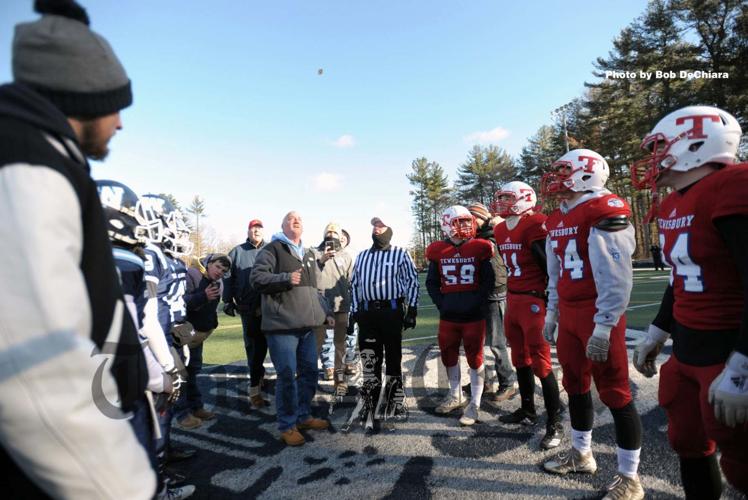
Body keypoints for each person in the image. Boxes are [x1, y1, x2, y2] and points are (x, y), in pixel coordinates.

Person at [0, 2, 156, 498]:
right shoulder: (27, 163)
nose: (120, 125)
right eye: (116, 106)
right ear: (83, 96)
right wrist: (125, 488)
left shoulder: (45, 155)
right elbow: (34, 367)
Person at [631, 105, 748, 499]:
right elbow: (680, 275)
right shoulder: (672, 204)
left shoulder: (732, 185)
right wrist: (658, 329)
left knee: (742, 460)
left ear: (696, 143)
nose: (654, 158)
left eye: (660, 147)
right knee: (688, 442)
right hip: (687, 350)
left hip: (729, 347)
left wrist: (743, 364)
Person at [540, 149, 644, 500]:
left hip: (598, 312)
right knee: (575, 384)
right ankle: (582, 454)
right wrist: (553, 312)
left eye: (563, 170)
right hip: (569, 312)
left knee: (615, 392)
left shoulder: (604, 207)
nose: (555, 177)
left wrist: (605, 324)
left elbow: (616, 276)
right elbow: (555, 273)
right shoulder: (557, 217)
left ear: (588, 173)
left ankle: (630, 477)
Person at [97, 180, 194, 500]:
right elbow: (144, 321)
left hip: (105, 358)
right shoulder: (137, 258)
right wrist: (165, 365)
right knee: (148, 421)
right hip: (136, 353)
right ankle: (157, 479)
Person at [250, 211, 334, 446]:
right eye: (291, 218)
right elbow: (256, 279)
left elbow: (315, 291)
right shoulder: (272, 249)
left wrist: (325, 312)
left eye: (300, 218)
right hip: (282, 328)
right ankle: (287, 425)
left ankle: (303, 416)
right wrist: (286, 278)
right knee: (287, 376)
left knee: (309, 373)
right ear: (282, 225)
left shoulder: (308, 254)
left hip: (308, 327)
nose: (296, 220)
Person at [492, 181, 563, 450]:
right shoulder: (500, 228)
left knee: (541, 363)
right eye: (501, 197)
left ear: (525, 198)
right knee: (519, 358)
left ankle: (554, 423)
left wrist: (552, 302)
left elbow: (549, 265)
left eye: (508, 197)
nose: (502, 202)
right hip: (513, 298)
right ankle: (527, 409)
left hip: (535, 299)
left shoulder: (536, 224)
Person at [426, 206, 495, 426]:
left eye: (468, 221)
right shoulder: (438, 250)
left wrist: (477, 303)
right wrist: (443, 304)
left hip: (474, 316)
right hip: (449, 316)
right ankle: (455, 394)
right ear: (447, 224)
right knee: (448, 356)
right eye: (460, 222)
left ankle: (474, 403)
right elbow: (432, 283)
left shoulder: (480, 247)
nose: (466, 226)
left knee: (476, 359)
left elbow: (488, 281)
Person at [349, 217, 420, 426]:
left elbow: (412, 281)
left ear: (389, 230)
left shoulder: (400, 253)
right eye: (374, 226)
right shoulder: (361, 256)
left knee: (393, 358)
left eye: (381, 226)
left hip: (391, 311)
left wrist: (412, 309)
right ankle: (370, 401)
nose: (376, 229)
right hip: (368, 314)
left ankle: (394, 401)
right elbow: (354, 285)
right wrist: (354, 311)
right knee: (370, 358)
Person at [467, 201, 517, 403]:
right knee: (477, 343)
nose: (470, 223)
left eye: (473, 218)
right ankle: (484, 381)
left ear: (481, 217)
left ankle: (508, 383)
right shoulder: (476, 237)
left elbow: (499, 269)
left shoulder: (496, 234)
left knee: (496, 343)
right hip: (479, 294)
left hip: (495, 294)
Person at [179, 254, 232, 425]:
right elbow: (179, 303)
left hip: (199, 335)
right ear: (208, 264)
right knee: (181, 374)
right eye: (218, 267)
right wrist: (203, 296)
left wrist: (212, 324)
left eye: (224, 271)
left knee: (193, 371)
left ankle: (196, 407)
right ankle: (182, 413)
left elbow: (212, 308)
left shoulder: (218, 282)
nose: (220, 272)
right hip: (184, 332)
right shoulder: (191, 274)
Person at [223, 219, 269, 408]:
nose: (256, 231)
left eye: (259, 228)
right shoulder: (237, 252)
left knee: (269, 346)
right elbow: (227, 276)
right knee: (253, 348)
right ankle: (254, 389)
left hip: (270, 308)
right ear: (248, 231)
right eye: (253, 228)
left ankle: (260, 376)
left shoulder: (271, 250)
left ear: (263, 231)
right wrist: (227, 300)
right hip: (247, 308)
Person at [313, 222, 354, 395]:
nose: (331, 235)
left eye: (335, 233)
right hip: (319, 307)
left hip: (341, 306)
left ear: (340, 236)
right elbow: (308, 277)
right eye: (328, 232)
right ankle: (307, 381)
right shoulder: (314, 252)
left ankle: (339, 380)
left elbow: (352, 281)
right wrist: (320, 260)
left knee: (340, 346)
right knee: (314, 346)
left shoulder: (346, 255)